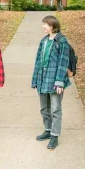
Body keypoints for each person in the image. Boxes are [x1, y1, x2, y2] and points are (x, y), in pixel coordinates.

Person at [31, 15, 71, 150]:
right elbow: (38, 61)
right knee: (44, 108)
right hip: (43, 79)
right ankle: (48, 130)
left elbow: (63, 61)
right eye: (43, 24)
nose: (43, 26)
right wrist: (35, 79)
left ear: (52, 26)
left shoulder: (62, 40)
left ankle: (54, 135)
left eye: (45, 24)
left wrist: (59, 81)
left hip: (55, 80)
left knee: (55, 109)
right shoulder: (43, 41)